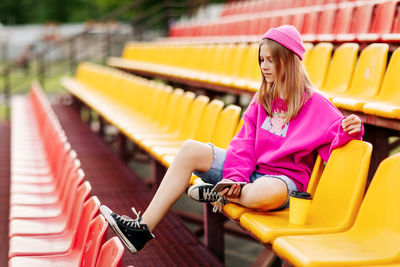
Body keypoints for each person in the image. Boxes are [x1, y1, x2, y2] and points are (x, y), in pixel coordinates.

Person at [100, 25, 364, 254]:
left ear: (289, 60)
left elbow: (336, 137)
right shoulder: (263, 98)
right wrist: (235, 178)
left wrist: (352, 128)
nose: (264, 66)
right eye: (262, 60)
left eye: (271, 60)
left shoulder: (316, 103)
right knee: (191, 149)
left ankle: (223, 195)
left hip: (281, 183)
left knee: (265, 192)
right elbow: (243, 143)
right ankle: (141, 229)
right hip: (248, 176)